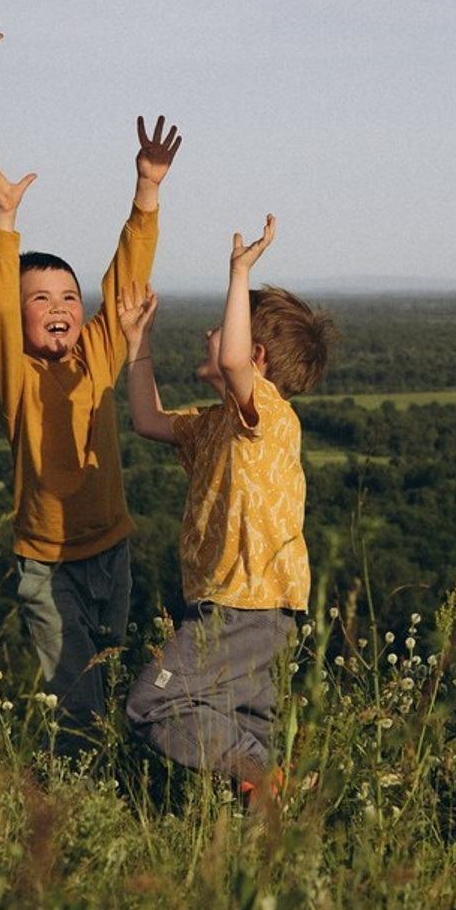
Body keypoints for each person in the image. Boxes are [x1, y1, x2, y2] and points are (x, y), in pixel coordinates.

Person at [0, 117, 180, 752]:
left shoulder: (96, 356)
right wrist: (5, 222)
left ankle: (114, 781)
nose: (59, 306)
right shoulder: (14, 379)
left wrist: (147, 192)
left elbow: (123, 286)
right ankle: (77, 790)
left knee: (113, 682)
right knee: (76, 700)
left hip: (112, 550)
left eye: (68, 296)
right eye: (40, 299)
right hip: (47, 564)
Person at [118, 216, 335, 795]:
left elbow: (235, 363)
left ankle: (274, 781)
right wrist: (138, 342)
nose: (209, 334)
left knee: (154, 704)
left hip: (243, 604)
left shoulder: (268, 414)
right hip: (249, 606)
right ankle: (268, 813)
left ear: (255, 356)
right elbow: (147, 420)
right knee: (243, 731)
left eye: (221, 328)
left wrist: (239, 273)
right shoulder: (215, 423)